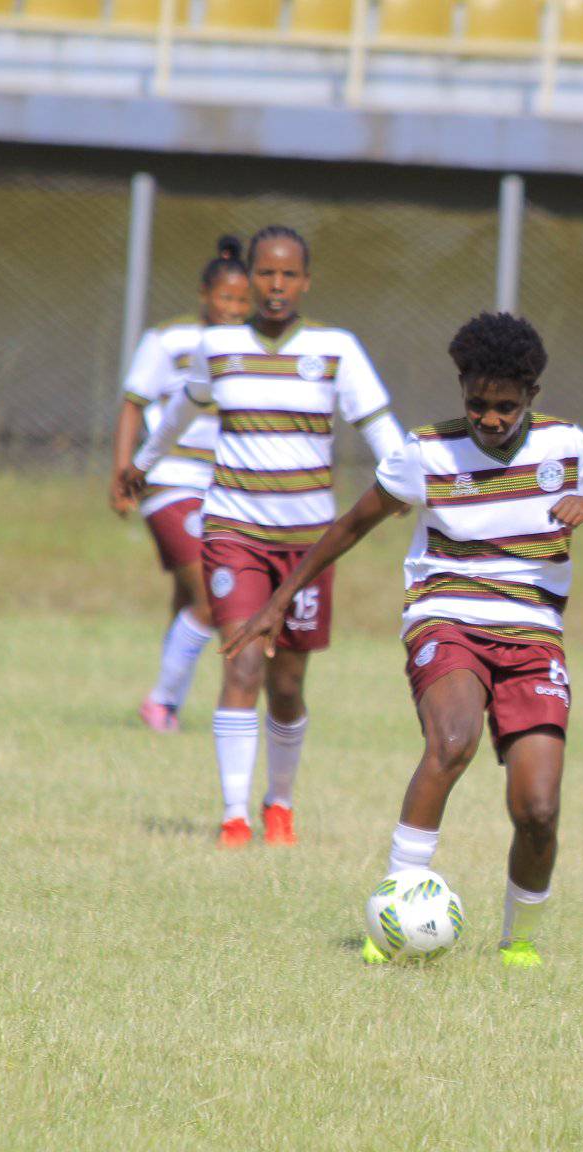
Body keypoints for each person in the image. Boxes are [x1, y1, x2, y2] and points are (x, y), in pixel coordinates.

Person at [223, 311, 583, 967]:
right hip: (446, 615)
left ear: (531, 396)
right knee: (453, 740)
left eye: (505, 406)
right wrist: (278, 601)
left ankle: (520, 943)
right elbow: (351, 525)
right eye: (477, 403)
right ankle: (394, 912)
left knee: (538, 808)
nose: (489, 417)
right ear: (462, 390)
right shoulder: (425, 452)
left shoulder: (569, 447)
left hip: (534, 632)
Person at [121, 225, 405, 848]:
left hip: (309, 545)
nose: (276, 286)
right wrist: (143, 463)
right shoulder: (218, 346)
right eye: (266, 274)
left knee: (288, 683)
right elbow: (179, 410)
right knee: (243, 662)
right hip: (235, 533)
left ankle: (279, 804)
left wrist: (407, 480)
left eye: (288, 275)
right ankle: (233, 818)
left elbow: (378, 425)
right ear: (249, 278)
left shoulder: (337, 349)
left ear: (306, 281)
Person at [108, 236, 251, 733]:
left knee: (187, 599)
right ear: (204, 295)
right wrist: (122, 471)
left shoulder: (250, 347)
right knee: (211, 599)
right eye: (225, 299)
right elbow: (133, 402)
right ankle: (162, 702)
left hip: (223, 486)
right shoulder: (169, 340)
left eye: (241, 302)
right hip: (170, 480)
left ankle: (169, 703)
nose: (232, 310)